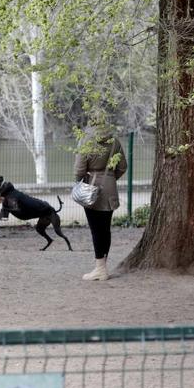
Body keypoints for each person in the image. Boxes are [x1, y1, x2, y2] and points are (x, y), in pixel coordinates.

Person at [73, 120, 127, 281]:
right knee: (105, 229)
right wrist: (110, 178)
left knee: (96, 229)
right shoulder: (114, 141)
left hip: (91, 188)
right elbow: (123, 166)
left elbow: (79, 169)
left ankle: (100, 269)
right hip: (110, 188)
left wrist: (79, 181)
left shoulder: (86, 139)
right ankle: (102, 267)